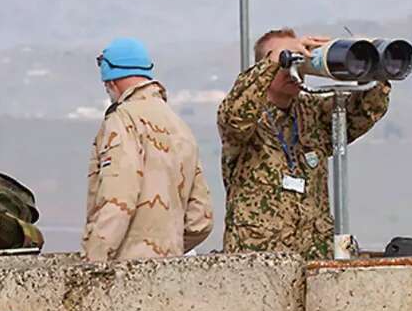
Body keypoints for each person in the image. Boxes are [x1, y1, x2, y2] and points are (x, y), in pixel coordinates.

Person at [218, 28, 391, 259]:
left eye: (298, 60)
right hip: (258, 262)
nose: (292, 69)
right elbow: (235, 115)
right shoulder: (246, 119)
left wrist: (364, 58)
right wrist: (275, 60)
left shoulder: (312, 114)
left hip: (312, 258)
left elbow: (366, 108)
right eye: (288, 60)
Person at [82, 38, 214, 262]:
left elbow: (117, 200)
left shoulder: (122, 120)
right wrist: (163, 246)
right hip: (169, 272)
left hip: (125, 274)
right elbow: (200, 219)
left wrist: (93, 262)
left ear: (110, 81)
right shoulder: (180, 127)